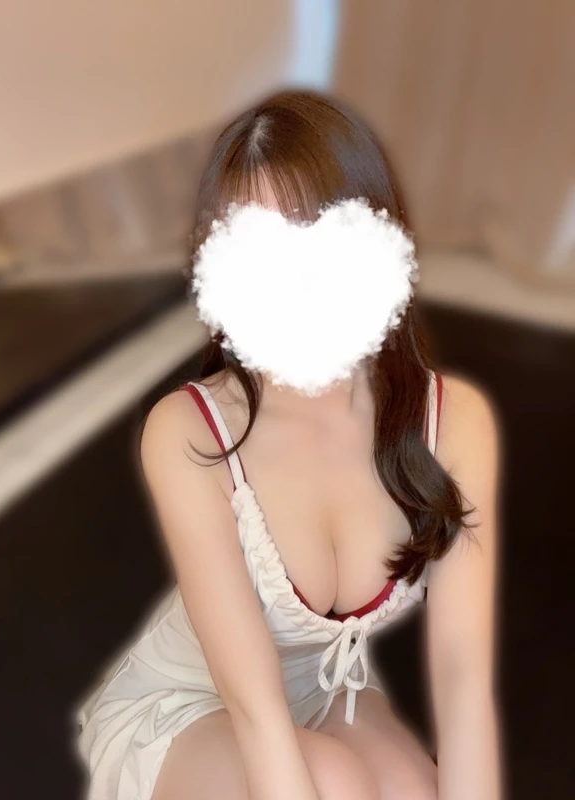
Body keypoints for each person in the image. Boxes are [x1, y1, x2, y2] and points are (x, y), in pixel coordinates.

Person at [77, 89, 502, 800]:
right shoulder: (189, 432)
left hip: (327, 693)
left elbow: (463, 679)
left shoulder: (455, 421)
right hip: (196, 708)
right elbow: (255, 710)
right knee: (333, 781)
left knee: (413, 790)